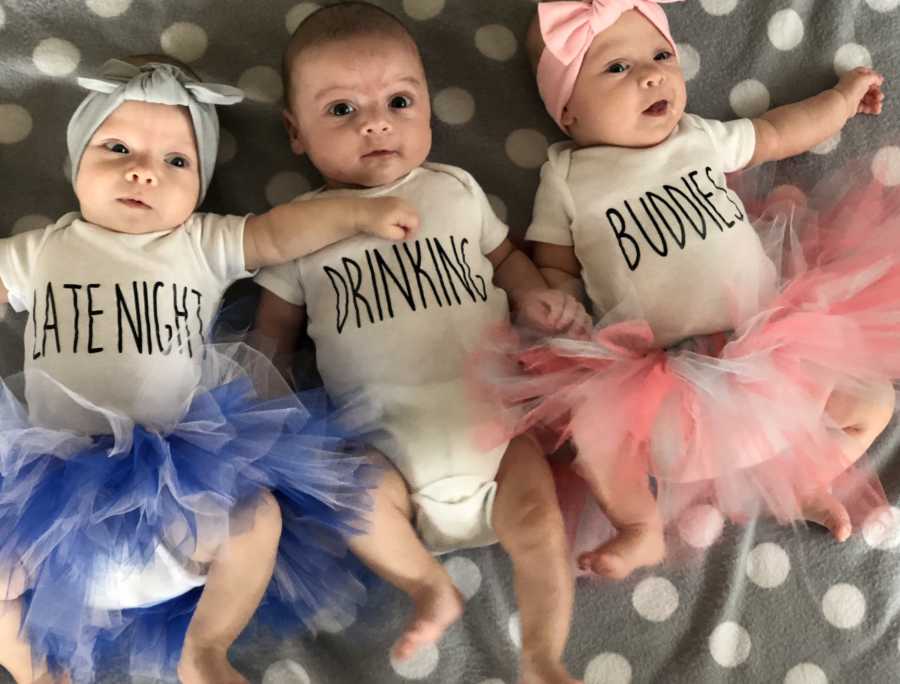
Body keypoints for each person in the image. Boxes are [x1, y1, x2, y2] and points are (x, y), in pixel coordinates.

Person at [0, 56, 419, 684]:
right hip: (58, 525)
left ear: (199, 187)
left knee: (258, 518)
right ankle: (31, 670)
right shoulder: (42, 250)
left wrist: (357, 216)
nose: (143, 169)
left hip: (178, 502)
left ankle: (207, 649)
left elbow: (279, 234)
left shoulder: (198, 241)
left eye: (176, 162)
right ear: (76, 163)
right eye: (116, 147)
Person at [482, 0, 896, 581]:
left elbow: (780, 132)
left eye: (659, 56)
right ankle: (640, 528)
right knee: (596, 441)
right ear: (568, 113)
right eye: (616, 69)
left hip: (775, 348)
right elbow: (554, 265)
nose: (651, 74)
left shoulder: (697, 136)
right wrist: (556, 301)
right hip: (668, 386)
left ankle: (808, 480)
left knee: (874, 401)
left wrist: (842, 101)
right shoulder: (568, 178)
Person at [255, 4, 589, 683]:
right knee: (355, 496)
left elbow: (506, 259)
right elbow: (272, 335)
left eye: (398, 101)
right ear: (296, 133)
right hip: (385, 452)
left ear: (429, 109)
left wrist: (533, 295)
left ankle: (543, 656)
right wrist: (266, 402)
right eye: (342, 110)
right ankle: (426, 586)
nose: (376, 122)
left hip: (498, 432)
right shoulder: (296, 231)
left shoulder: (453, 190)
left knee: (540, 519)